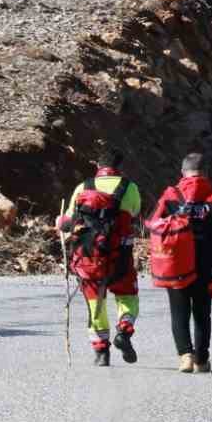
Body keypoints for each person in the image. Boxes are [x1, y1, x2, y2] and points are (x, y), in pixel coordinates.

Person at [148, 152, 212, 373]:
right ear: (206, 173)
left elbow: (152, 223)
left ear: (183, 173)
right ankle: (201, 360)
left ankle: (185, 357)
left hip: (176, 262)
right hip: (206, 264)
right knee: (202, 312)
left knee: (179, 311)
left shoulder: (170, 195)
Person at [57, 148, 144, 366]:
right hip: (120, 257)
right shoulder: (130, 187)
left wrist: (60, 222)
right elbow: (135, 213)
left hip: (89, 258)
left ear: (98, 166)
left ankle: (101, 351)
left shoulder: (83, 187)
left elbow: (67, 222)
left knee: (95, 303)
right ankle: (124, 330)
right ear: (119, 167)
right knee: (128, 297)